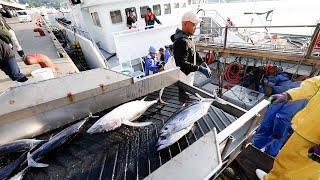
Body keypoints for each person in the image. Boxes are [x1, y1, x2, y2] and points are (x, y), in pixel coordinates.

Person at [256, 76, 320, 180]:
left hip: (310, 133)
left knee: (301, 169)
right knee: (288, 160)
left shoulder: (291, 92)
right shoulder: (301, 94)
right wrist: (288, 95)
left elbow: (283, 117)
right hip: (304, 129)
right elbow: (314, 84)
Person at [171, 11, 211, 78]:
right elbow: (181, 64)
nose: (195, 27)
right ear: (185, 24)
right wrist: (199, 68)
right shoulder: (181, 41)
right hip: (182, 78)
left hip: (188, 76)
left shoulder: (187, 38)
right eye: (193, 25)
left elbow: (193, 52)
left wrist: (202, 63)